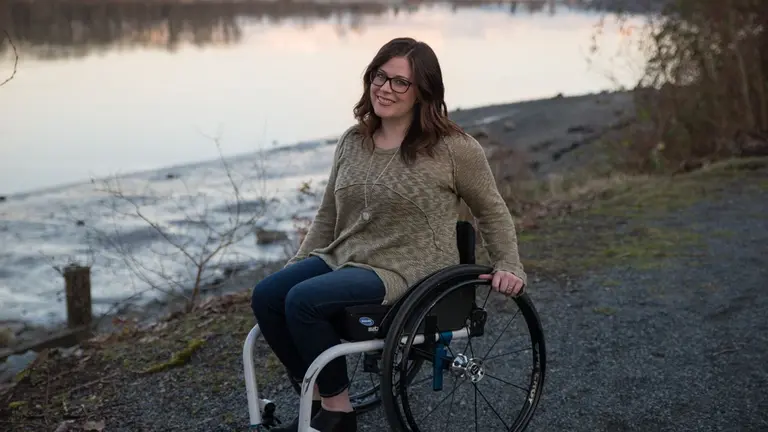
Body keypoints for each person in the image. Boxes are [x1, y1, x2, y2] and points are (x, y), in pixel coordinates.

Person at [250, 36, 526, 432]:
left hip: (407, 268)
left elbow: (491, 210)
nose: (385, 88)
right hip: (347, 256)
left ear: (423, 92)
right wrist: (297, 263)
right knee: (268, 295)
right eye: (380, 76)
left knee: (303, 301)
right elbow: (328, 214)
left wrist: (508, 264)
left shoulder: (454, 149)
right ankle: (318, 401)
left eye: (400, 82)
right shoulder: (352, 141)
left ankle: (338, 413)